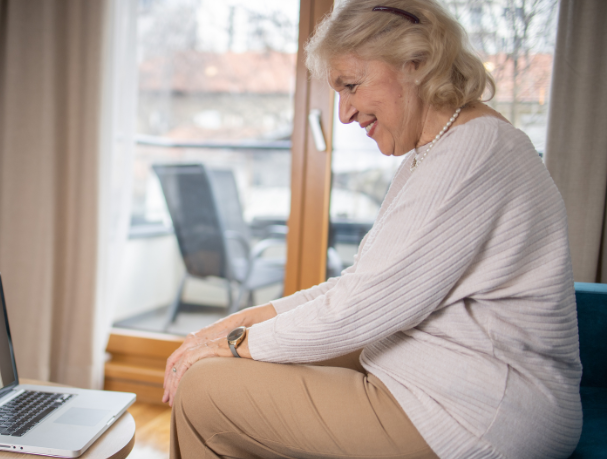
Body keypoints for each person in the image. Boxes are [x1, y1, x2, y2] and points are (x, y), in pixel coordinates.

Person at [163, 1, 583, 458]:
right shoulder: (436, 151)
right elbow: (358, 286)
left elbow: (357, 310)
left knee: (205, 388)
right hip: (442, 382)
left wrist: (234, 346)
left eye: (351, 86)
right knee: (221, 365)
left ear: (416, 65)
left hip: (481, 415)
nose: (344, 114)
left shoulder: (475, 151)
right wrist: (235, 325)